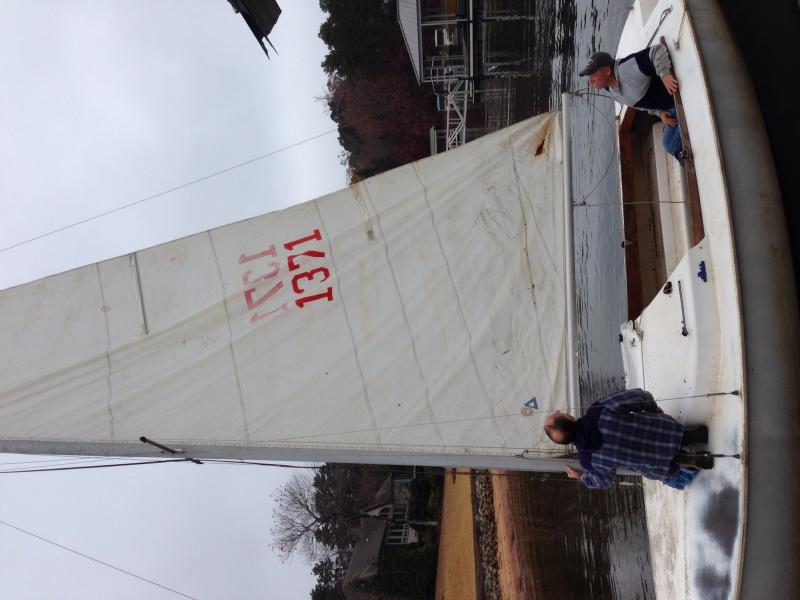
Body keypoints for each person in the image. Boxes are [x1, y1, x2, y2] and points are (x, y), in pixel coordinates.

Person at [544, 388, 711, 489]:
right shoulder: (598, 409)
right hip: (666, 430)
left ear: (567, 442)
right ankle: (692, 435)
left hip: (659, 465)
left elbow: (603, 482)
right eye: (559, 413)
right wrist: (653, 409)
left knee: (671, 476)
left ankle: (688, 463)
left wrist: (580, 476)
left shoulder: (588, 460)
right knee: (670, 432)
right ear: (569, 417)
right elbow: (639, 395)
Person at [580, 47, 687, 160]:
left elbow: (656, 51)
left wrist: (665, 74)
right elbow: (638, 105)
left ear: (607, 71)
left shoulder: (626, 69)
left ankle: (688, 152)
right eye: (589, 77)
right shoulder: (611, 90)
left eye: (593, 76)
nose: (590, 81)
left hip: (679, 92)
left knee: (669, 143)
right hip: (670, 107)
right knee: (671, 145)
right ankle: (686, 155)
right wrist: (658, 112)